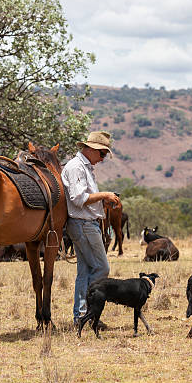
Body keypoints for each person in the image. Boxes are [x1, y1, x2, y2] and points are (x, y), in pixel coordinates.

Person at [61, 131, 120, 326]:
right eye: (102, 154)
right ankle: (88, 313)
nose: (103, 159)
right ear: (92, 149)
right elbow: (79, 199)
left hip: (83, 224)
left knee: (85, 271)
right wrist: (104, 195)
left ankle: (81, 316)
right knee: (102, 267)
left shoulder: (82, 167)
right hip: (84, 224)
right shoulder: (77, 167)